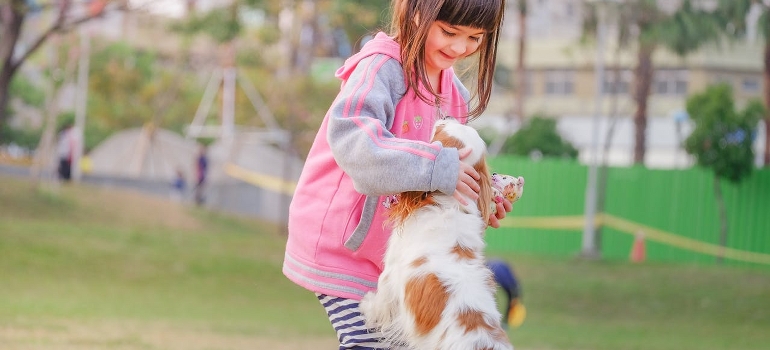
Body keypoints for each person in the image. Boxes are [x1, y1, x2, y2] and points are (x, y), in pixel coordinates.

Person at [282, 0, 509, 348]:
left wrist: (479, 196)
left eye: (475, 37)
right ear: (415, 12)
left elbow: (442, 178)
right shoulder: (382, 69)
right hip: (346, 248)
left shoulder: (455, 96)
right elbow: (352, 138)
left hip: (401, 254)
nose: (460, 48)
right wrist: (438, 167)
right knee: (370, 344)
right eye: (449, 32)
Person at [487, 259, 526, 329]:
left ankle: (504, 323)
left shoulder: (506, 279)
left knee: (511, 299)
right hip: (496, 273)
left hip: (497, 273)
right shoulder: (504, 277)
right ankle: (502, 322)